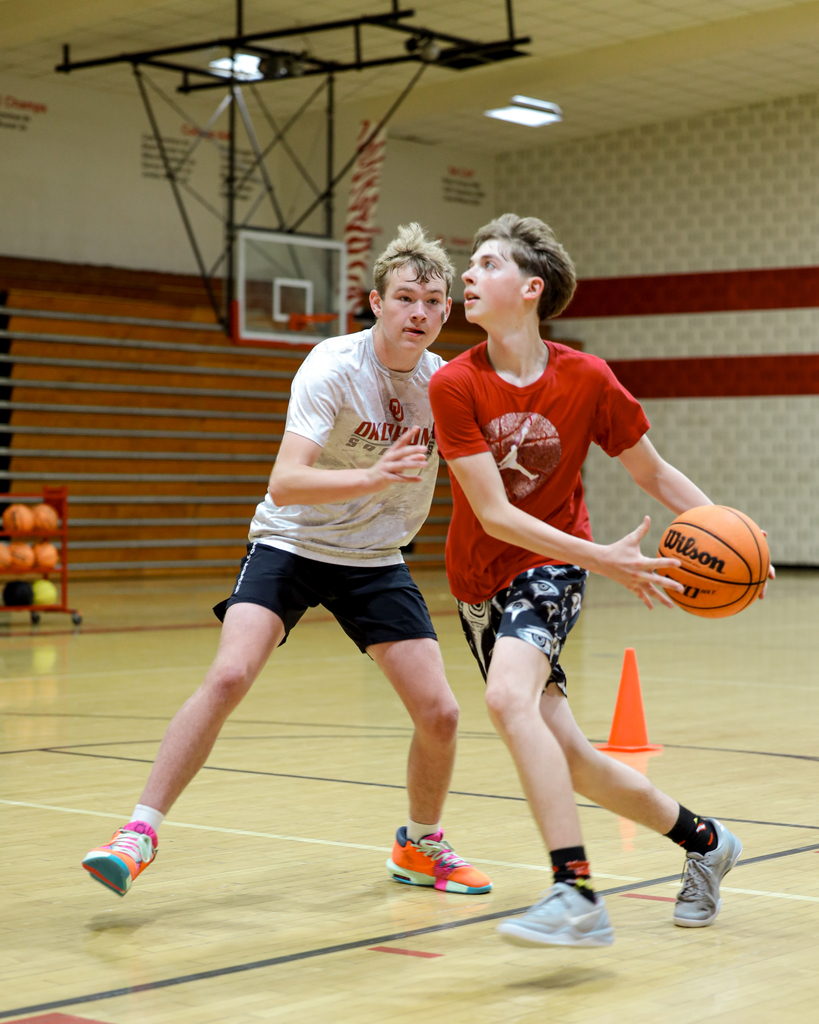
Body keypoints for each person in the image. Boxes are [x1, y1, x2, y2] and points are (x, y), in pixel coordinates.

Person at [82, 224, 491, 899]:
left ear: (446, 310)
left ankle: (420, 845)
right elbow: (285, 482)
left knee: (441, 713)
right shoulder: (333, 365)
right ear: (376, 302)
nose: (418, 313)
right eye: (404, 298)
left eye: (431, 302)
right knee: (229, 674)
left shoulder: (445, 384)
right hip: (292, 543)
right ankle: (137, 835)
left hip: (374, 557)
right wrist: (373, 476)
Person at [428, 213, 753, 948]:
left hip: (551, 568)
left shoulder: (586, 377)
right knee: (570, 758)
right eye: (470, 264)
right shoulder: (455, 384)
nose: (467, 275)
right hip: (479, 583)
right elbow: (493, 512)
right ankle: (706, 843)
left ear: (530, 288)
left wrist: (740, 545)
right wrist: (605, 557)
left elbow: (654, 473)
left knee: (506, 698)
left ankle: (574, 893)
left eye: (487, 263)